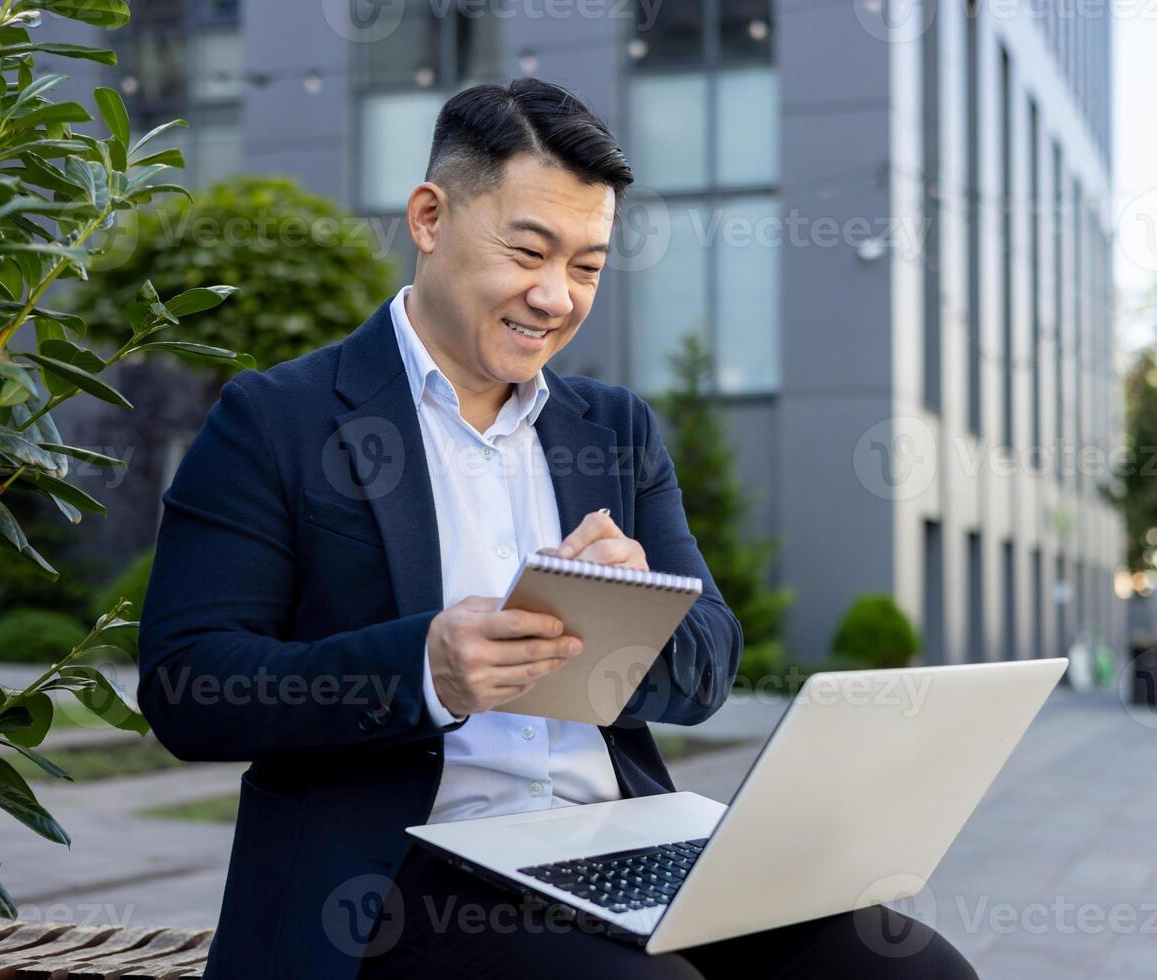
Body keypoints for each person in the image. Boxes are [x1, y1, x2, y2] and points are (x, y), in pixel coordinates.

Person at [138, 77, 976, 980]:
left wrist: (637, 617)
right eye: (528, 251)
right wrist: (425, 667)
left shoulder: (614, 430)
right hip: (400, 875)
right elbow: (187, 685)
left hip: (618, 843)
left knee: (916, 972)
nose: (554, 297)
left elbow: (711, 662)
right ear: (429, 217)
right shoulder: (278, 419)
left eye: (586, 266)